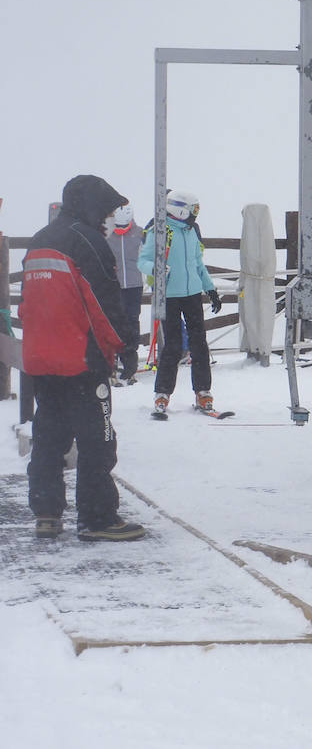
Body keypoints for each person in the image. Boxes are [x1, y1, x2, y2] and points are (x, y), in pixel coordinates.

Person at [21, 175, 146, 541]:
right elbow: (103, 304)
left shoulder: (39, 241)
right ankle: (97, 518)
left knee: (49, 436)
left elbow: (30, 303)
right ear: (93, 207)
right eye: (107, 211)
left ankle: (46, 512)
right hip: (82, 359)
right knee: (97, 439)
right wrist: (125, 345)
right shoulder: (87, 242)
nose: (109, 220)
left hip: (42, 358)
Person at [139, 190, 222, 417]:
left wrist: (210, 289)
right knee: (173, 346)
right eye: (193, 210)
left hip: (192, 294)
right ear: (180, 209)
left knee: (199, 344)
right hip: (169, 295)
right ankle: (162, 393)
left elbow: (197, 263)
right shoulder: (159, 230)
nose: (196, 215)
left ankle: (203, 392)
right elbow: (143, 260)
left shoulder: (190, 231)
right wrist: (154, 269)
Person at [105, 205, 143, 385]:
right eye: (118, 227)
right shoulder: (109, 237)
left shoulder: (139, 235)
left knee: (132, 323)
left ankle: (130, 368)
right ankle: (112, 366)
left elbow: (146, 256)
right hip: (115, 287)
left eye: (124, 227)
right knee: (114, 323)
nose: (121, 231)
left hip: (135, 286)